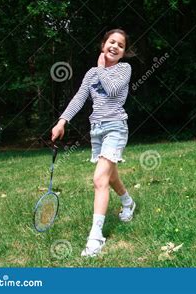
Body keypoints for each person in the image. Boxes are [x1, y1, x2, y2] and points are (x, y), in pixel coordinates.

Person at [51, 28, 136, 257]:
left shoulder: (124, 70)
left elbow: (111, 89)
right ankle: (128, 203)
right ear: (103, 45)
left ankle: (96, 237)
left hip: (116, 127)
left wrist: (101, 69)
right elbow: (79, 98)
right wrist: (62, 122)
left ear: (123, 52)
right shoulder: (90, 74)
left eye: (120, 45)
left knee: (99, 178)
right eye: (111, 42)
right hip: (97, 131)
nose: (115, 46)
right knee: (111, 176)